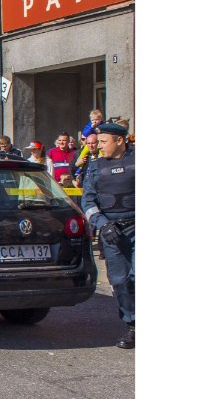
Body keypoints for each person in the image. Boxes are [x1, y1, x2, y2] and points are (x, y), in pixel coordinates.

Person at [81, 123, 135, 349]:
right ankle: (133, 325)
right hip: (112, 232)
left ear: (119, 140)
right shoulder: (95, 167)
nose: (99, 146)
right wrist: (103, 225)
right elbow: (87, 201)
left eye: (104, 142)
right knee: (120, 281)